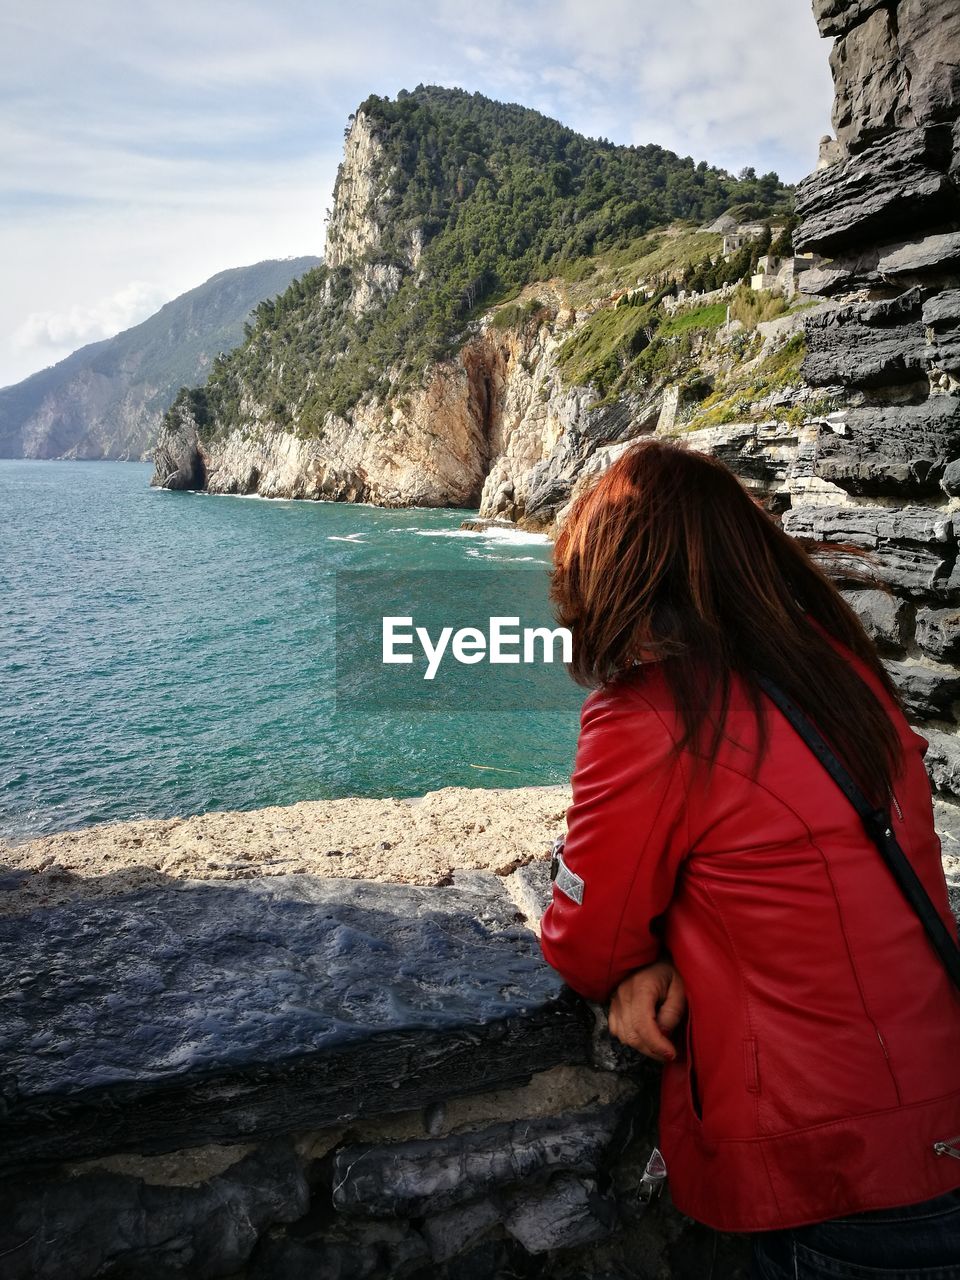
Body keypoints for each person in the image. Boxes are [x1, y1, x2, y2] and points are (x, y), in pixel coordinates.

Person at [540, 439, 960, 1278]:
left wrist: (642, 964)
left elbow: (588, 937)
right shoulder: (842, 675)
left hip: (840, 1164)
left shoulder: (656, 717)